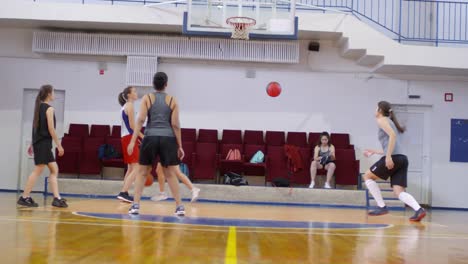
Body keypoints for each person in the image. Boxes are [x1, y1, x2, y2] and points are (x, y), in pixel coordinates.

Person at [127, 72, 185, 216]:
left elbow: (140, 120)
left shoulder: (147, 98)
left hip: (150, 137)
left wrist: (133, 141)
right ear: (166, 84)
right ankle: (179, 207)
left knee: (142, 172)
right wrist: (180, 145)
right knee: (170, 174)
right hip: (168, 139)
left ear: (153, 84)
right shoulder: (173, 100)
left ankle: (135, 205)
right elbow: (176, 125)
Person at [363, 101, 426, 221]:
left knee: (367, 176)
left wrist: (388, 157)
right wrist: (376, 152)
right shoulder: (390, 121)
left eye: (376, 107)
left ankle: (382, 207)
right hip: (402, 158)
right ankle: (419, 210)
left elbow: (392, 136)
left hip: (395, 157)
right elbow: (390, 145)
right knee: (398, 192)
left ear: (380, 110)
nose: (374, 110)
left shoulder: (381, 120)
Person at [17, 85, 68, 208]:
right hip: (43, 144)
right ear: (49, 94)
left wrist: (32, 144)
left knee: (54, 169)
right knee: (38, 170)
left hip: (41, 144)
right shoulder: (49, 109)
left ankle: (57, 198)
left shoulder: (38, 107)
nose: (54, 94)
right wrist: (59, 145)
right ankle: (24, 197)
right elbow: (51, 129)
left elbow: (36, 128)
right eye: (53, 92)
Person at [116, 86, 146, 203]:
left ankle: (125, 193)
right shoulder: (130, 105)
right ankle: (123, 192)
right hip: (129, 137)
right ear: (129, 95)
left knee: (130, 168)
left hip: (125, 137)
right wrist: (142, 137)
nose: (136, 93)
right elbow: (133, 126)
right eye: (134, 91)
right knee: (137, 167)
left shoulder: (125, 106)